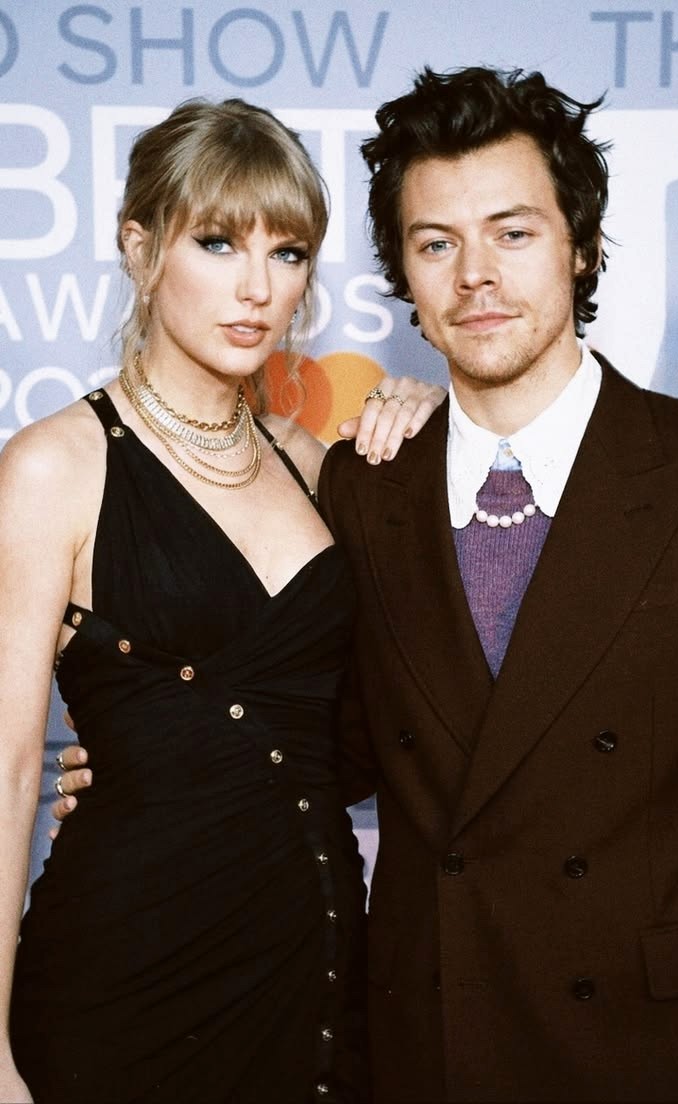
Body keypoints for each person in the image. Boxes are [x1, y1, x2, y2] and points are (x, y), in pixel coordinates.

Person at [56, 66, 678, 1102]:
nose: (476, 276)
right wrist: (155, 757)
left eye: (512, 233)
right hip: (426, 1041)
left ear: (582, 246)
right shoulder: (363, 489)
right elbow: (326, 741)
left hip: (657, 1051)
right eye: (436, 244)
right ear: (404, 277)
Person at [0, 97, 444, 1104]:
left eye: (287, 254)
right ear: (139, 247)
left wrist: (431, 416)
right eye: (217, 242)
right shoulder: (54, 466)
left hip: (313, 971)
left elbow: (402, 705)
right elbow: (11, 769)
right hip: (126, 978)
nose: (257, 289)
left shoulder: (316, 464)